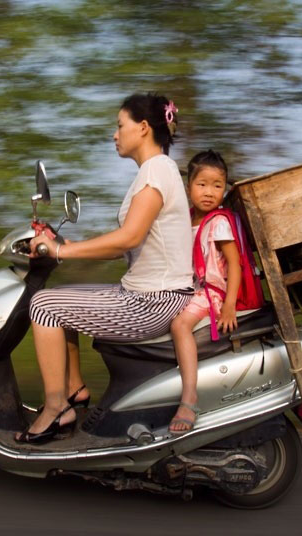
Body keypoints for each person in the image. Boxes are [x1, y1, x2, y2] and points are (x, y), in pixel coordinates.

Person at [18, 93, 193, 444]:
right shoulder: (154, 171)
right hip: (145, 292)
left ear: (143, 129)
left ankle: (56, 409)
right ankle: (75, 389)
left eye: (119, 126)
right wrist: (63, 248)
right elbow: (125, 246)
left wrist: (60, 251)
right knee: (58, 299)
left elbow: (127, 238)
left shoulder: (156, 170)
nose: (114, 134)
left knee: (43, 307)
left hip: (154, 301)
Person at [168, 150, 241, 435]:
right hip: (189, 289)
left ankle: (189, 398)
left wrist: (229, 305)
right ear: (188, 188)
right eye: (202, 185)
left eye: (217, 185)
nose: (209, 192)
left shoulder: (219, 222)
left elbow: (234, 265)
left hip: (211, 293)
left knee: (179, 324)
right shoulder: (185, 220)